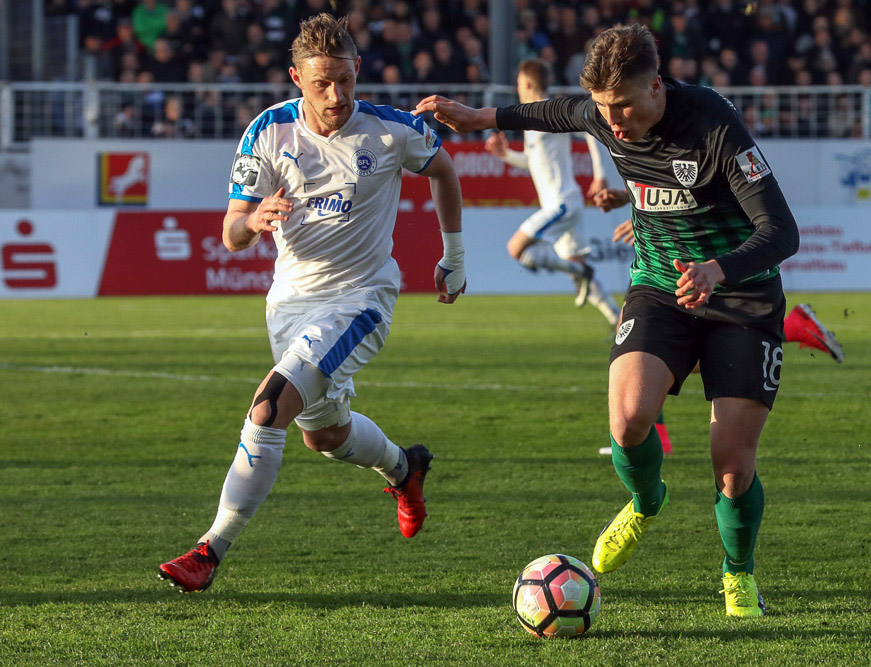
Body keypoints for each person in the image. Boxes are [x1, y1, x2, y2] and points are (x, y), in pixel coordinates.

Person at [416, 23, 800, 617]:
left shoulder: (714, 122)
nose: (612, 121)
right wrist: (479, 118)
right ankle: (647, 501)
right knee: (627, 421)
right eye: (603, 108)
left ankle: (738, 572)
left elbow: (782, 232)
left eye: (622, 105)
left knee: (731, 467)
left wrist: (717, 270)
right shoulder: (601, 113)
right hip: (659, 288)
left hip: (741, 299)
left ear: (657, 87)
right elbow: (551, 111)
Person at [158, 14, 466, 593]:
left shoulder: (390, 129)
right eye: (322, 83)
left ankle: (209, 549)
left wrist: (455, 256)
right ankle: (406, 468)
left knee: (268, 407)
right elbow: (231, 233)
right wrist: (252, 219)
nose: (336, 95)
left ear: (357, 71)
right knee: (322, 436)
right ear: (297, 76)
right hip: (291, 303)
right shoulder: (267, 132)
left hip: (362, 299)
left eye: (345, 79)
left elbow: (444, 170)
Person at [484, 58, 621, 326]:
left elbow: (590, 132)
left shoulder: (551, 111)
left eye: (518, 83)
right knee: (579, 276)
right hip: (562, 205)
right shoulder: (531, 118)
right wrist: (506, 155)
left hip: (562, 204)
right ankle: (617, 320)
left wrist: (600, 175)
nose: (517, 88)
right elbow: (532, 161)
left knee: (516, 248)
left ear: (527, 83)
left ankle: (580, 269)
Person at [607, 216, 843, 362]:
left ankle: (649, 439)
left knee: (642, 348)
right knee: (645, 350)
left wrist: (655, 216)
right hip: (660, 249)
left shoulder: (713, 141)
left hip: (675, 253)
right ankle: (793, 327)